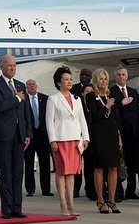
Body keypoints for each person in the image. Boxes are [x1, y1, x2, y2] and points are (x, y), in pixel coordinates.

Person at [0, 54, 30, 219]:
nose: (12, 68)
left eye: (14, 65)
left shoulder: (20, 85)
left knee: (18, 172)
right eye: (9, 65)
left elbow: (25, 112)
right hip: (4, 134)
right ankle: (6, 208)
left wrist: (28, 133)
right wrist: (16, 98)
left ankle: (17, 207)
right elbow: (0, 106)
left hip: (19, 135)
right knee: (5, 172)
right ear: (1, 66)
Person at [46, 67, 89, 216]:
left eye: (71, 79)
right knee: (61, 172)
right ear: (59, 82)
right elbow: (49, 122)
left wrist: (86, 137)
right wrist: (52, 140)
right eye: (66, 79)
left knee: (71, 173)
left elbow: (82, 119)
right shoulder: (53, 99)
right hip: (61, 139)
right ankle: (63, 203)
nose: (69, 82)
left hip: (75, 139)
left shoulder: (76, 99)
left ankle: (71, 203)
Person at [82, 69, 121, 213]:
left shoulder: (111, 95)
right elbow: (96, 116)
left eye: (105, 78)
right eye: (100, 79)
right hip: (99, 135)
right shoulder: (91, 96)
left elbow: (115, 119)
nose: (103, 81)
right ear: (95, 80)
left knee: (113, 167)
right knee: (99, 167)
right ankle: (100, 200)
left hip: (112, 134)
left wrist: (119, 136)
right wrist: (107, 106)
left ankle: (112, 200)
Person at [111, 68, 139, 200]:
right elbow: (111, 110)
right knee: (119, 162)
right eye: (118, 75)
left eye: (123, 74)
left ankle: (131, 190)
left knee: (133, 163)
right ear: (115, 77)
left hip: (134, 133)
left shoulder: (133, 91)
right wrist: (120, 103)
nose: (121, 77)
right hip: (120, 132)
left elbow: (138, 113)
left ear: (127, 76)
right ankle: (118, 192)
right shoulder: (111, 91)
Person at [23, 79, 51, 198]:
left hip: (43, 135)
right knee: (29, 163)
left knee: (45, 162)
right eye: (29, 85)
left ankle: (46, 189)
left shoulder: (45, 98)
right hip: (29, 135)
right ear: (26, 87)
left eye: (33, 84)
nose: (32, 86)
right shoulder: (23, 99)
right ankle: (30, 189)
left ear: (37, 86)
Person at [71, 68, 95, 199]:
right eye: (82, 75)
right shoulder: (73, 90)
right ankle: (75, 189)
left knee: (90, 165)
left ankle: (90, 189)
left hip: (91, 135)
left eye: (87, 75)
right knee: (77, 165)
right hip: (77, 134)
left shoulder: (94, 91)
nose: (84, 77)